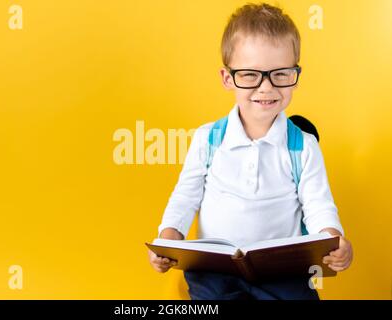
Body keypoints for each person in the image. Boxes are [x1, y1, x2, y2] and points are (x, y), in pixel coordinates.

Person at [148, 3, 353, 300]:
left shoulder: (303, 146)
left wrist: (334, 240)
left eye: (280, 74)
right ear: (227, 78)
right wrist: (168, 238)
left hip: (282, 272)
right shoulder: (208, 139)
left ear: (296, 73)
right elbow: (185, 197)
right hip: (215, 269)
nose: (266, 88)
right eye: (250, 75)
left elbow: (319, 206)